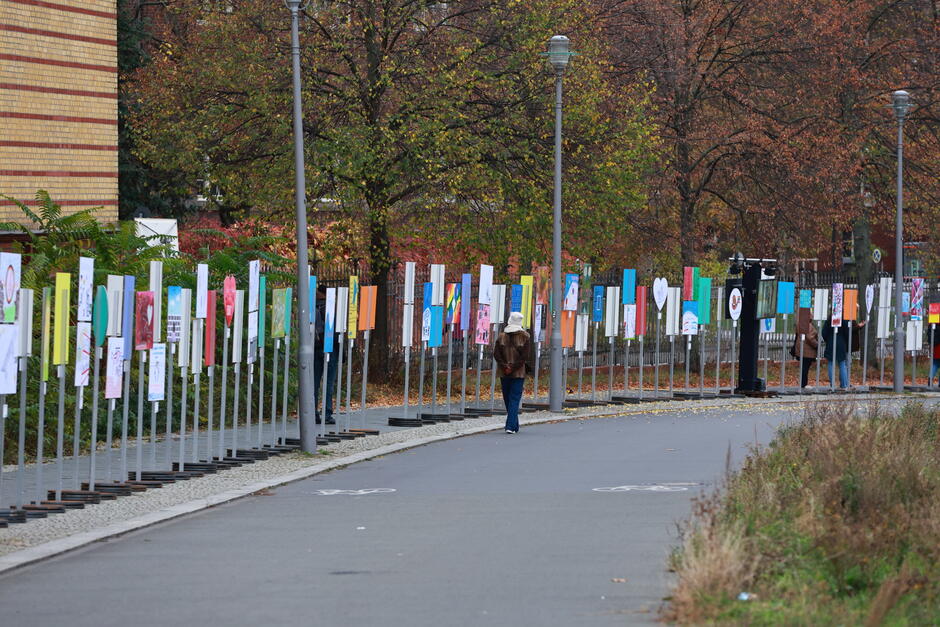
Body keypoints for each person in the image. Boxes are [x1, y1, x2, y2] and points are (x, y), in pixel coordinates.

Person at [493, 311, 532, 434]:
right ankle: (512, 426)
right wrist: (513, 367)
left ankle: (512, 425)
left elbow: (496, 354)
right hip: (518, 373)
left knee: (507, 398)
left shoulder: (501, 337)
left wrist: (505, 366)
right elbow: (524, 357)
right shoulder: (525, 337)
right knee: (514, 398)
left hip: (504, 372)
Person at [313, 285, 338, 425]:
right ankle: (327, 413)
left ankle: (313, 413)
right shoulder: (331, 308)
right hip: (330, 349)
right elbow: (337, 331)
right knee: (328, 383)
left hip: (315, 348)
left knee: (314, 383)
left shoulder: (312, 307)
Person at [792, 307, 818, 388]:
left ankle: (803, 383)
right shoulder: (808, 325)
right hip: (807, 351)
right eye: (811, 313)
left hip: (801, 349)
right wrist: (817, 344)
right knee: (805, 368)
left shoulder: (800, 323)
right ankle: (803, 384)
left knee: (804, 367)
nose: (812, 315)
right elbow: (810, 338)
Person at [821, 319, 849, 389]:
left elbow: (824, 333)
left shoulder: (829, 320)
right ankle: (843, 385)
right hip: (841, 344)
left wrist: (828, 339)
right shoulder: (844, 320)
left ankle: (832, 385)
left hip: (831, 343)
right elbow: (847, 333)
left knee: (831, 363)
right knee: (842, 364)